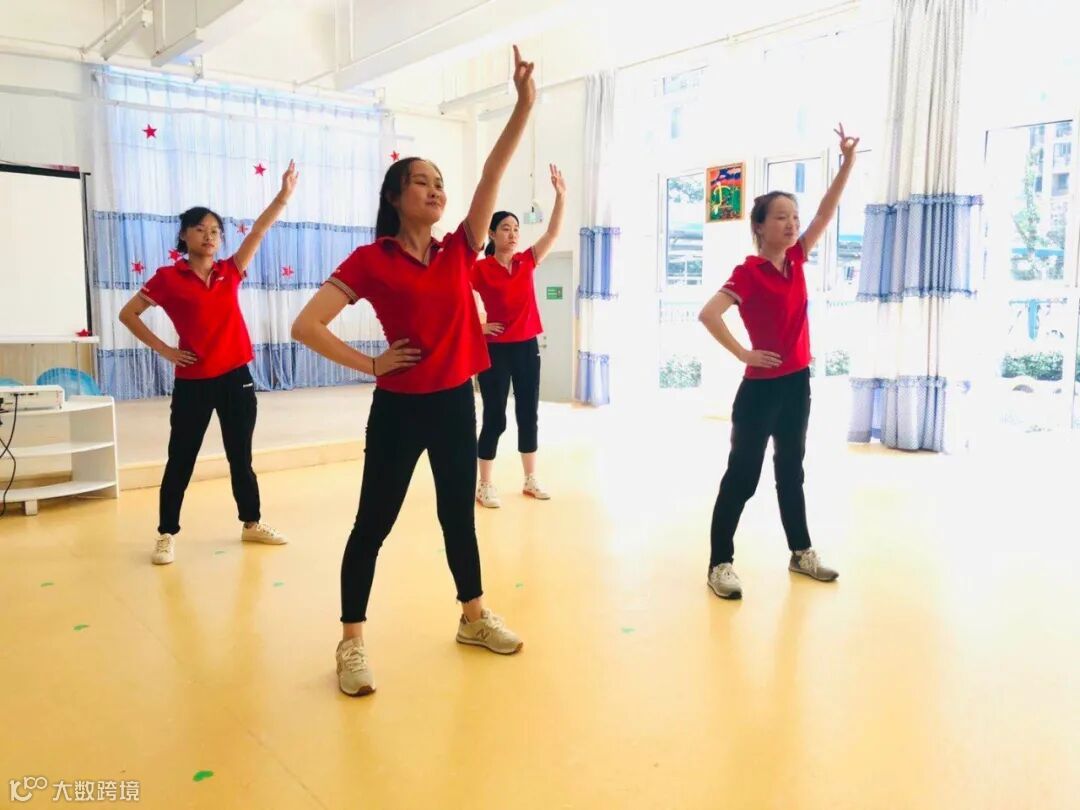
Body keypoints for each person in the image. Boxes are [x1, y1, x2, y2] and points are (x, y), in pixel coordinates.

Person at [291, 47, 537, 697]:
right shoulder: (370, 259)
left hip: (456, 401)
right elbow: (306, 326)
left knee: (458, 516)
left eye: (439, 183)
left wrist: (524, 104)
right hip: (399, 409)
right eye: (422, 182)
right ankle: (351, 642)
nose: (436, 190)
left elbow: (491, 172)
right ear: (396, 197)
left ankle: (473, 618)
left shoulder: (461, 248)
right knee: (373, 524)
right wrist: (371, 363)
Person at [698, 126, 860, 600]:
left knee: (792, 470)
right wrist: (743, 353)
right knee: (743, 477)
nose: (791, 225)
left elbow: (827, 211)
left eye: (794, 217)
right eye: (781, 218)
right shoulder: (748, 273)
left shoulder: (799, 259)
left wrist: (847, 163)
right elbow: (709, 314)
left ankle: (800, 551)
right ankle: (719, 563)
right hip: (760, 391)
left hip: (796, 385)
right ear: (760, 227)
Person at [119, 161, 299, 566]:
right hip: (193, 382)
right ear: (184, 235)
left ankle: (251, 523)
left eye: (215, 230)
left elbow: (258, 230)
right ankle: (166, 533)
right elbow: (128, 314)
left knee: (240, 457)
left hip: (237, 378)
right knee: (181, 458)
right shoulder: (167, 278)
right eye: (200, 229)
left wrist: (283, 196)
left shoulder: (230, 271)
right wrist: (166, 350)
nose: (209, 235)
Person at [471, 163, 566, 508]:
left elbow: (552, 232)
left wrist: (561, 196)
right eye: (505, 229)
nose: (512, 234)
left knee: (528, 414)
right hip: (494, 351)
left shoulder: (527, 261)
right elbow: (452, 297)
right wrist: (477, 326)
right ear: (492, 234)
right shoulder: (479, 269)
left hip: (527, 347)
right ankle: (484, 484)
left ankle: (530, 478)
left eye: (516, 229)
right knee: (495, 417)